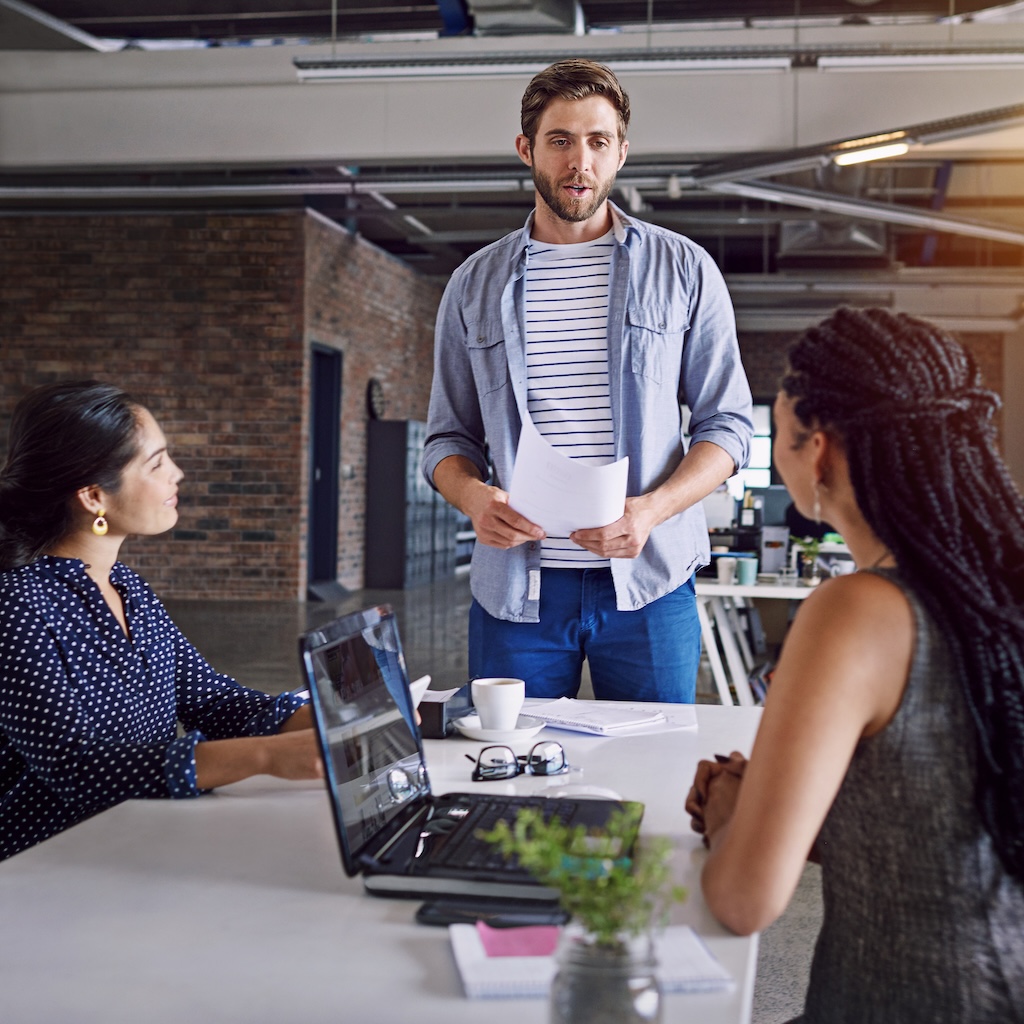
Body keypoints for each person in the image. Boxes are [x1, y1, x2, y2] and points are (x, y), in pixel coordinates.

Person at [686, 308, 1024, 1022]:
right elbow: (936, 827)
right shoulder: (1001, 594)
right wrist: (783, 801)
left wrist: (728, 813)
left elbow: (744, 901)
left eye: (777, 435)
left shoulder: (856, 612)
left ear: (821, 453)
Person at [421, 59, 753, 703]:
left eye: (598, 142)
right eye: (560, 140)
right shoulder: (473, 284)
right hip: (518, 594)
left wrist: (651, 510)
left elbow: (730, 427)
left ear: (621, 152)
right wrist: (472, 500)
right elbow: (446, 441)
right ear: (527, 149)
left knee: (658, 771)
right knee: (509, 775)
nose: (580, 162)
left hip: (648, 583)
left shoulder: (684, 269)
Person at [0, 380, 322, 861]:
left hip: (137, 841)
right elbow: (77, 768)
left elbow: (213, 703)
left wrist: (333, 722)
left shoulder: (128, 588)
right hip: (46, 868)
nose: (178, 473)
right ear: (93, 496)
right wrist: (268, 756)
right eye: (156, 463)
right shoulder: (18, 605)